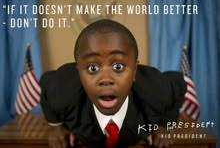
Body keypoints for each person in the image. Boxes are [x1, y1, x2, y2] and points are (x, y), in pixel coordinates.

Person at [40, 19, 186, 148]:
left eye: (118, 67)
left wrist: (166, 125)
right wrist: (56, 125)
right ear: (78, 74)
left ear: (134, 71)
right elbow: (46, 82)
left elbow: (178, 83)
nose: (106, 79)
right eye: (93, 68)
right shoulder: (61, 90)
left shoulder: (155, 90)